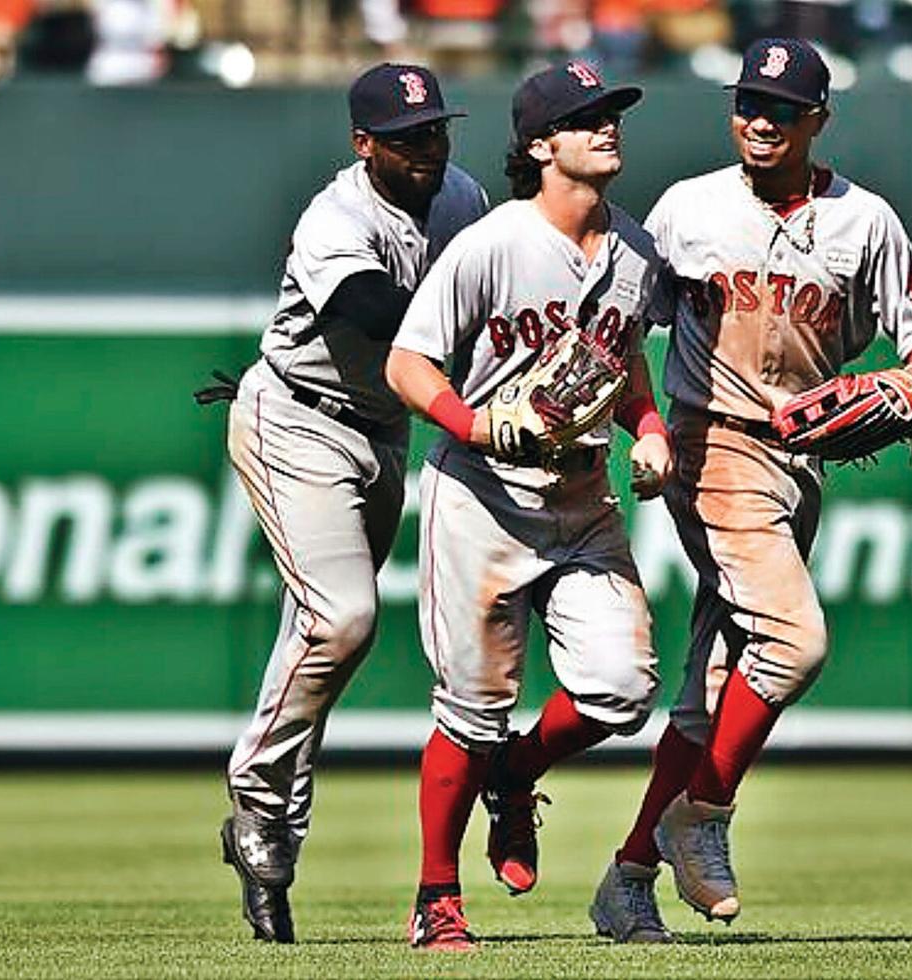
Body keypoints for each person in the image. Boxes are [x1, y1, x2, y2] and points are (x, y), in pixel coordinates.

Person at [588, 37, 912, 943]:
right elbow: (622, 325)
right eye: (749, 102)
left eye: (783, 109)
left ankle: (630, 876)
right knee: (794, 642)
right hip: (711, 442)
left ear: (818, 120)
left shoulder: (863, 220)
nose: (760, 119)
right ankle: (700, 815)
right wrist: (639, 428)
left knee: (714, 688)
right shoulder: (689, 209)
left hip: (802, 461)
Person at [384, 59, 673, 952]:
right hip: (479, 500)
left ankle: (515, 774)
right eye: (585, 118)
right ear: (540, 145)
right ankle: (436, 897)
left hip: (580, 496)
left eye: (612, 113)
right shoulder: (492, 244)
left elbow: (617, 363)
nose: (607, 127)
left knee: (622, 691)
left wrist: (649, 426)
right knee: (469, 708)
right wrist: (473, 425)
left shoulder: (634, 250)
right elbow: (407, 364)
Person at [210, 62, 488, 945]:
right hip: (298, 418)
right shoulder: (336, 216)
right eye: (408, 140)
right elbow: (370, 309)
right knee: (342, 619)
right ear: (364, 144)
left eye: (437, 131)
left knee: (322, 631)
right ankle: (257, 794)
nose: (428, 151)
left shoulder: (464, 198)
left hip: (383, 433)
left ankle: (269, 836)